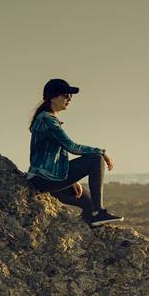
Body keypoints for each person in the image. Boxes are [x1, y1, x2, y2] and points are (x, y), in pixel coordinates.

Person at [26, 77, 124, 226]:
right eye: (66, 95)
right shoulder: (47, 120)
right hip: (44, 179)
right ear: (53, 97)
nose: (70, 99)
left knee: (88, 203)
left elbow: (54, 156)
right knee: (95, 159)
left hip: (47, 178)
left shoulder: (46, 118)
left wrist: (72, 180)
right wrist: (102, 152)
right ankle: (99, 213)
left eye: (70, 96)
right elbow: (71, 147)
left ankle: (90, 227)